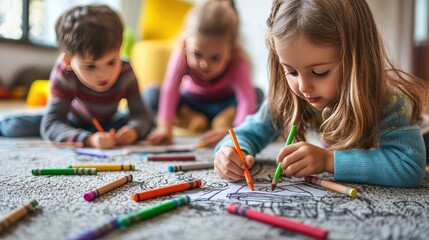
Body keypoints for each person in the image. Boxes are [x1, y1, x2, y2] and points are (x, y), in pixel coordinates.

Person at [214, 0, 429, 188]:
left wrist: (329, 161)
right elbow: (247, 133)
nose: (304, 86)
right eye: (291, 71)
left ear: (356, 60)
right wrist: (231, 152)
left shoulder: (387, 101)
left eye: (319, 72)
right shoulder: (290, 97)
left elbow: (408, 165)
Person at [0, 5, 153, 149]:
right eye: (90, 66)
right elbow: (53, 122)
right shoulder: (65, 74)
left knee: (149, 124)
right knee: (15, 127)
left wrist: (133, 130)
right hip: (72, 122)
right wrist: (88, 139)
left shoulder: (125, 71)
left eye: (111, 62)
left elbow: (140, 115)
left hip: (111, 123)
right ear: (68, 61)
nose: (104, 74)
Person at [143, 0, 261, 147]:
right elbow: (170, 89)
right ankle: (196, 120)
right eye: (197, 54)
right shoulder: (182, 53)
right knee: (151, 93)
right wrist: (164, 128)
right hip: (192, 103)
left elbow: (245, 100)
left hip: (224, 104)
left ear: (230, 52)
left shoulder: (238, 60)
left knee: (258, 95)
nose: (204, 64)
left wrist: (236, 131)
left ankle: (223, 123)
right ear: (186, 44)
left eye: (215, 58)